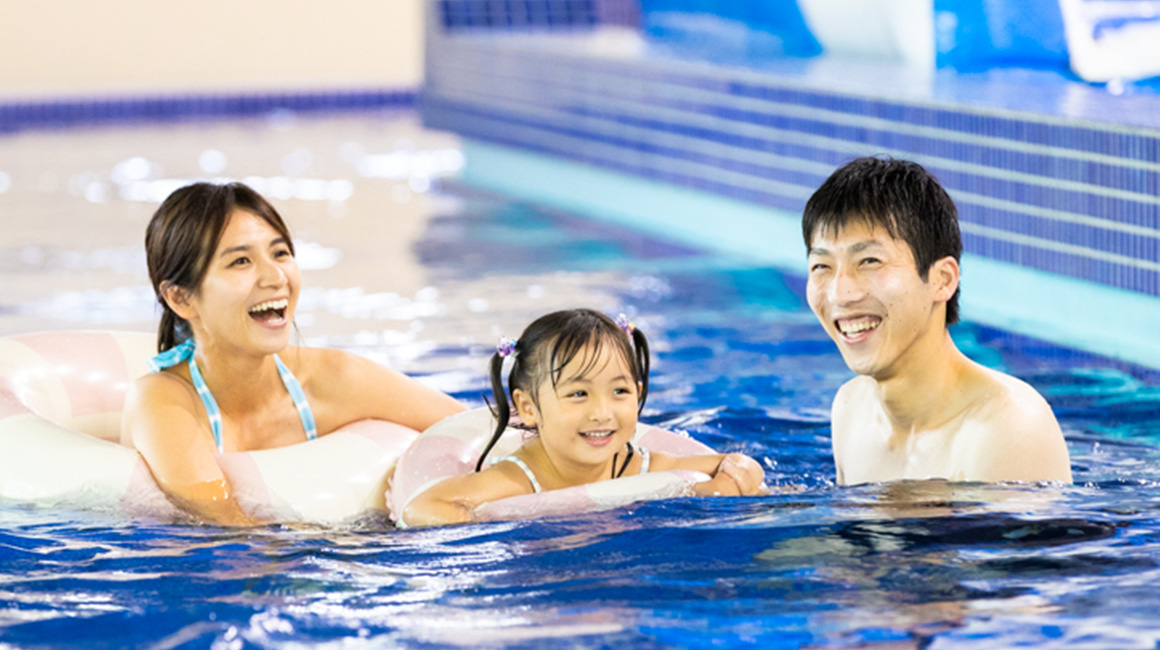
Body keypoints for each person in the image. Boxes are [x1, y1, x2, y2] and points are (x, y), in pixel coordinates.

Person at [121, 182, 465, 525]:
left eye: (280, 253)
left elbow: (483, 428)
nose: (275, 277)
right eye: (241, 261)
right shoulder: (162, 402)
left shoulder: (332, 379)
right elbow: (223, 526)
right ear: (181, 298)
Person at [802, 157, 1072, 485]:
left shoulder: (1008, 429)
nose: (839, 294)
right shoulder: (851, 408)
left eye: (869, 261)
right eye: (821, 266)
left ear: (942, 280)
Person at [403, 309, 768, 527]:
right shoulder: (519, 479)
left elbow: (730, 462)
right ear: (528, 408)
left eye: (620, 392)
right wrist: (503, 520)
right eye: (578, 393)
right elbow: (422, 507)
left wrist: (729, 482)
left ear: (638, 394)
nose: (601, 412)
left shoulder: (640, 466)